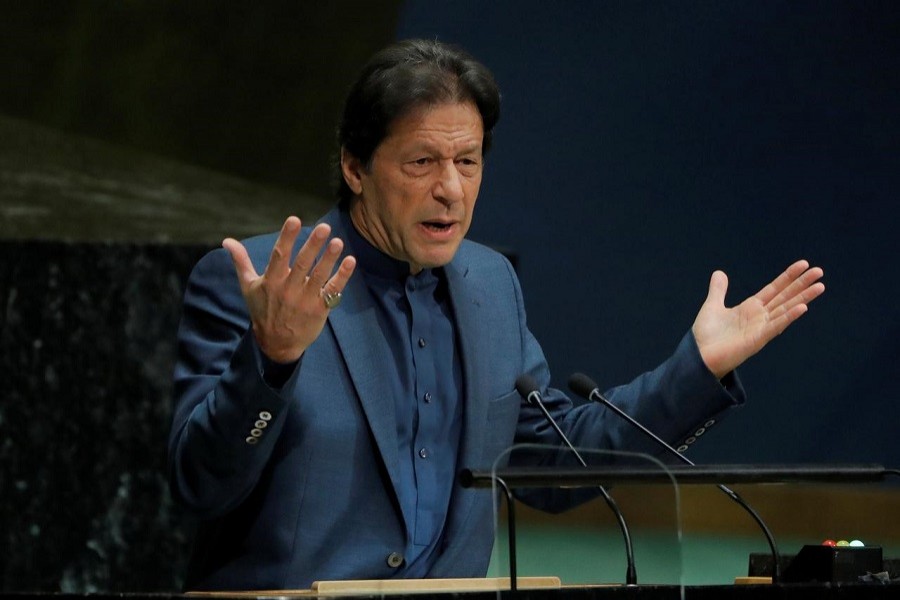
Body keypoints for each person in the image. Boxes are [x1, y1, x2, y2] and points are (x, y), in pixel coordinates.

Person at [168, 39, 824, 591]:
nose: (450, 189)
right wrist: (272, 361)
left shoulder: (489, 285)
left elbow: (553, 464)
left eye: (467, 161)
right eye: (422, 162)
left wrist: (698, 369)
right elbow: (200, 486)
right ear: (354, 166)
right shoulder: (260, 281)